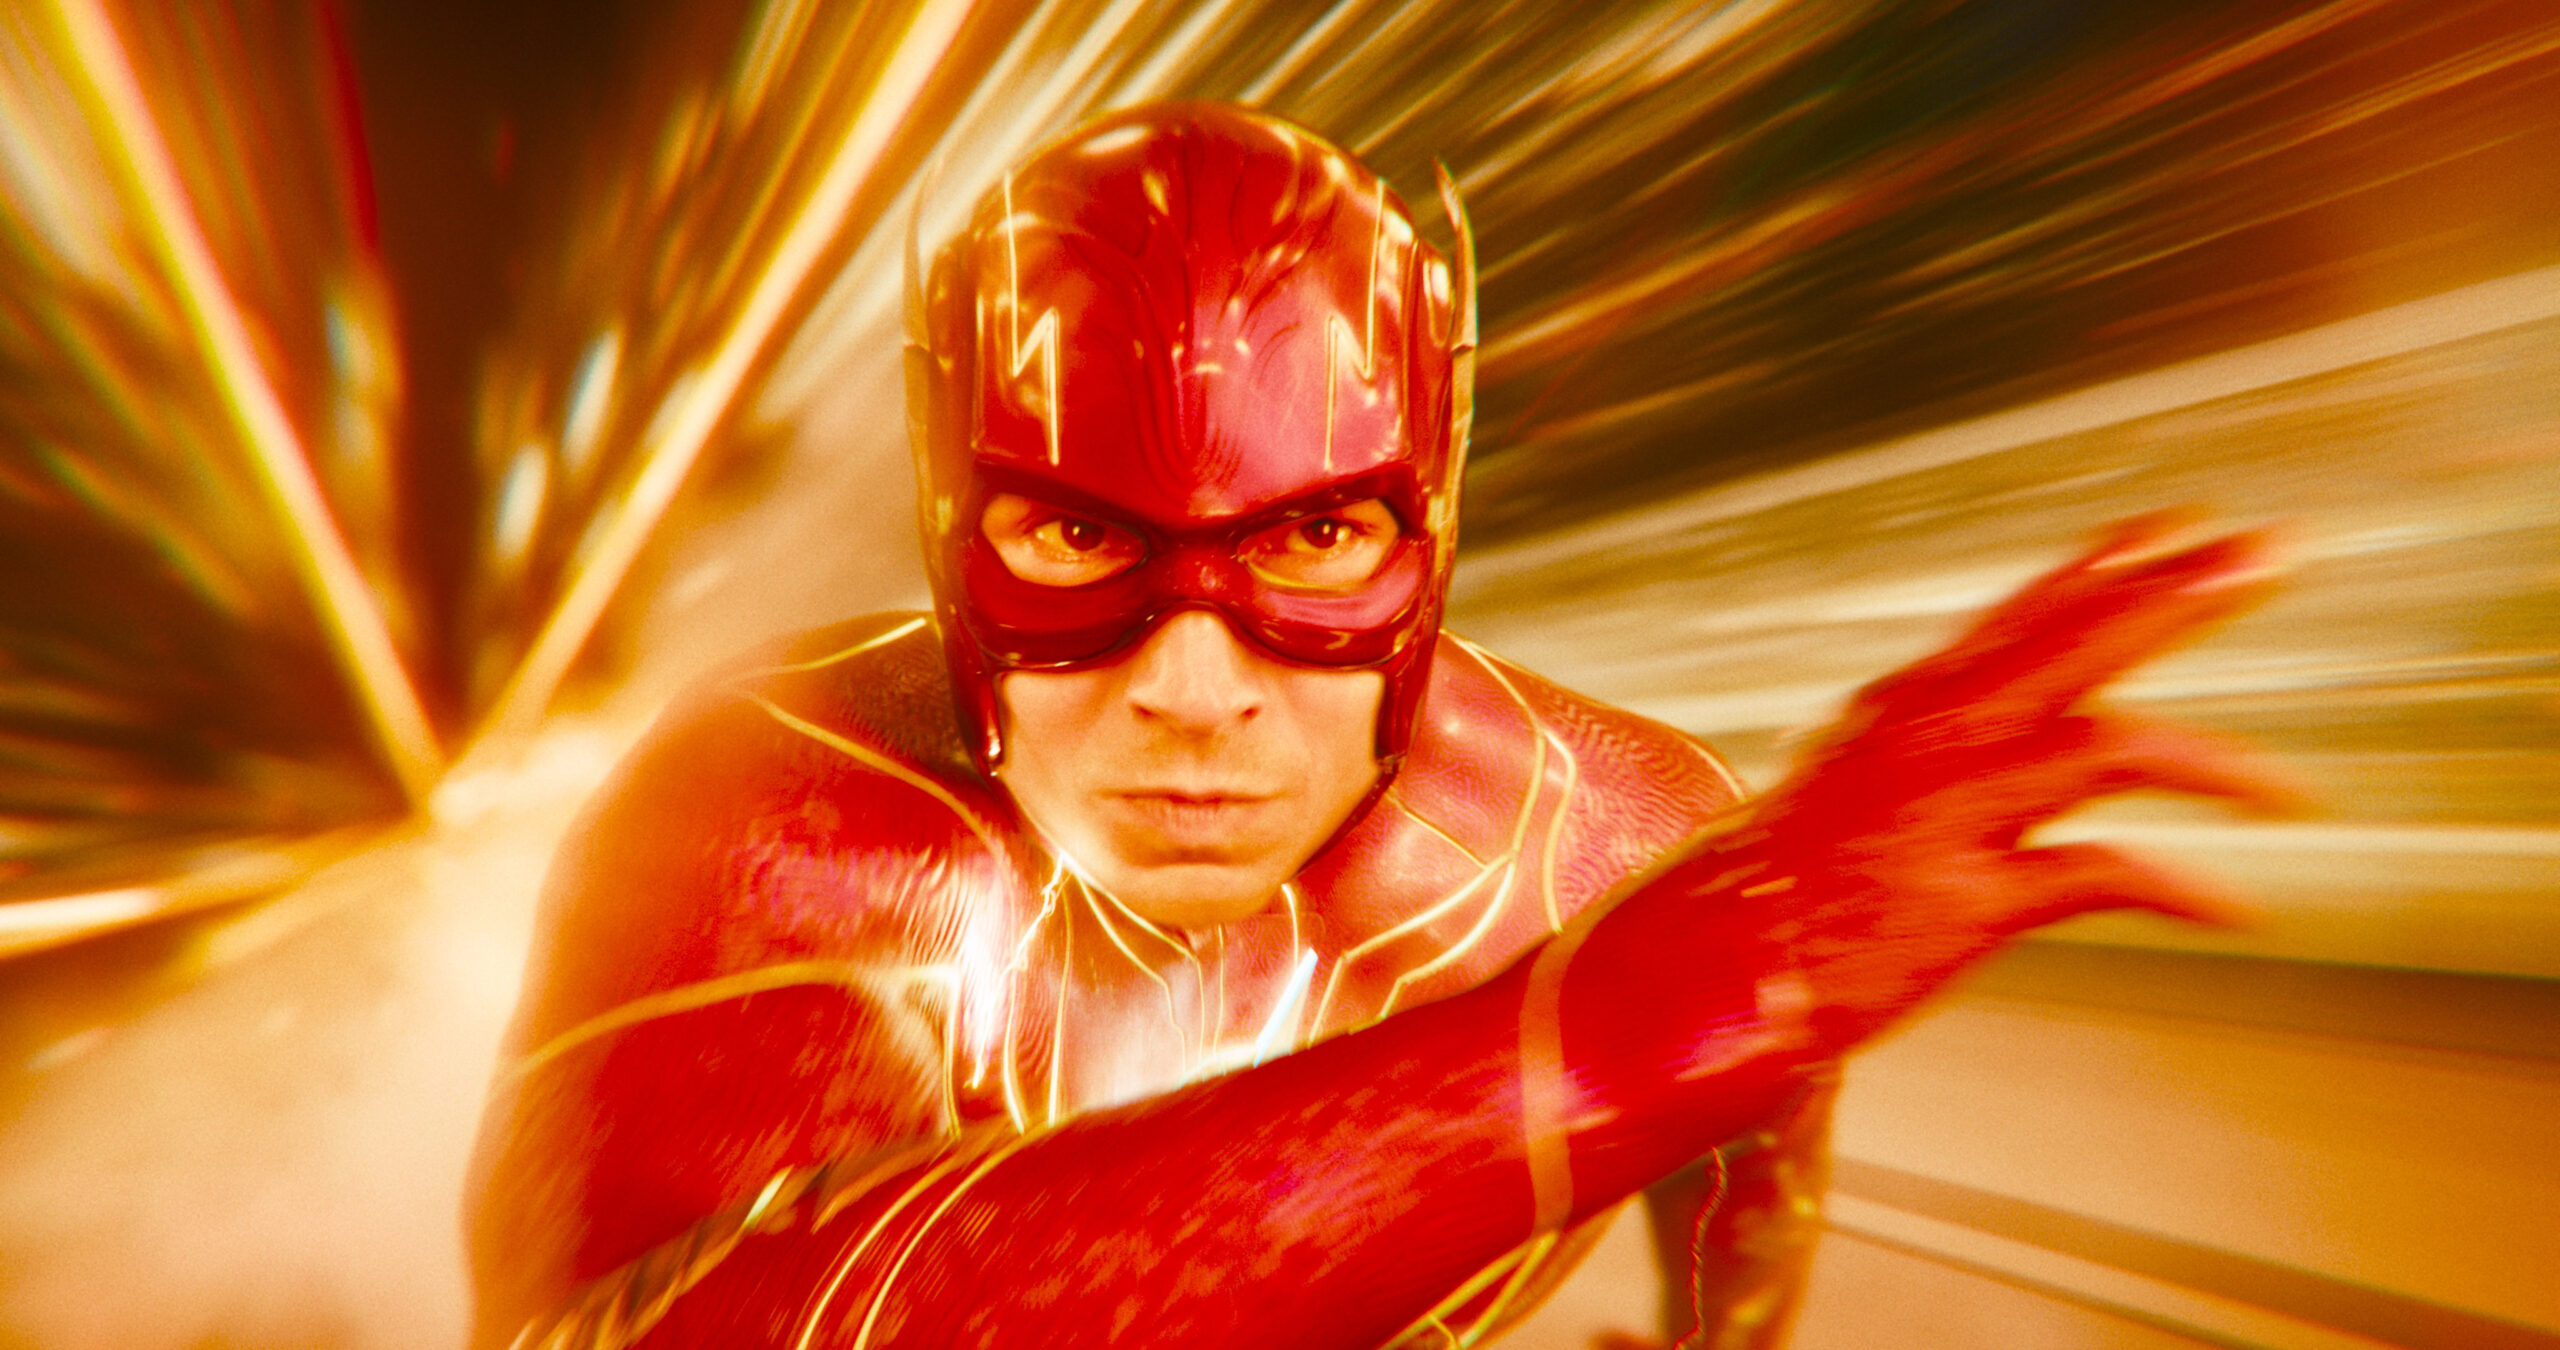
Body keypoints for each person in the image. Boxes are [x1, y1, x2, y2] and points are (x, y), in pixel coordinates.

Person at [465, 103, 2283, 1350]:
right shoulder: (771, 817)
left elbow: (1754, 1144)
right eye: (1080, 539)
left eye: (1312, 539)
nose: (1194, 690)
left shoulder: (1621, 828)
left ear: (1431, 524)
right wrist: (1607, 1041)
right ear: (956, 529)